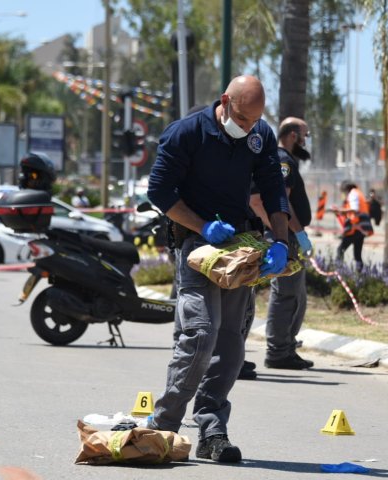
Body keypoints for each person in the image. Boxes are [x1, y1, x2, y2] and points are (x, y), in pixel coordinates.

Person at [146, 75, 290, 463]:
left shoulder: (260, 134)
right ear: (225, 101)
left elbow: (273, 188)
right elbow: (159, 192)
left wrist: (280, 240)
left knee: (230, 342)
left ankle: (212, 430)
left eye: (253, 122)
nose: (246, 129)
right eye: (241, 119)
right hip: (198, 247)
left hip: (240, 250)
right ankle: (165, 427)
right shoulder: (186, 133)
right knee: (200, 335)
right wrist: (202, 226)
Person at [249, 117, 314, 370]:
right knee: (286, 292)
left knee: (294, 293)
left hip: (283, 236)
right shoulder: (284, 161)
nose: (306, 141)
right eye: (304, 135)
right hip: (283, 238)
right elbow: (277, 203)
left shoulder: (279, 159)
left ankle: (285, 345)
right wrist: (292, 233)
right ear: (294, 135)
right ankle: (278, 350)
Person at [333, 180, 372, 271]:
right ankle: (360, 275)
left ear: (346, 189)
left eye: (343, 191)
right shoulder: (359, 193)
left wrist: (341, 210)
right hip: (361, 229)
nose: (343, 194)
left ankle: (338, 272)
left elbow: (355, 209)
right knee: (357, 255)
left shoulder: (352, 194)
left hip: (354, 228)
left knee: (340, 250)